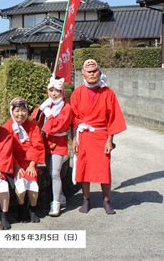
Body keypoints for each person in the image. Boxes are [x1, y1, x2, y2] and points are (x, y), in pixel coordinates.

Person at [70, 59, 126, 214]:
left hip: (101, 136)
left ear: (99, 73)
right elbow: (74, 119)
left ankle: (106, 200)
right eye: (89, 72)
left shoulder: (108, 93)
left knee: (104, 169)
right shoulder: (77, 93)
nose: (92, 74)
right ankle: (86, 199)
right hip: (84, 136)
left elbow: (113, 118)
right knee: (84, 168)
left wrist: (110, 140)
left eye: (95, 71)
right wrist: (74, 138)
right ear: (83, 74)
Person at [33, 77, 73, 217]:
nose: (54, 93)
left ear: (62, 92)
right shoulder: (47, 105)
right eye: (51, 90)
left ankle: (55, 202)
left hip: (59, 142)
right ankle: (61, 197)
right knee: (51, 173)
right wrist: (41, 108)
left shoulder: (66, 108)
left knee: (55, 172)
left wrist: (48, 114)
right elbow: (35, 119)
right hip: (46, 141)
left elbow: (58, 126)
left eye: (57, 90)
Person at [4, 97, 45, 223]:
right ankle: (22, 209)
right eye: (17, 110)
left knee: (32, 185)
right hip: (14, 163)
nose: (20, 114)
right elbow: (6, 150)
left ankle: (32, 209)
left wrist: (32, 164)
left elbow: (37, 145)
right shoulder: (7, 127)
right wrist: (16, 166)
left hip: (29, 162)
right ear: (12, 111)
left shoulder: (32, 125)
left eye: (23, 110)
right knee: (21, 184)